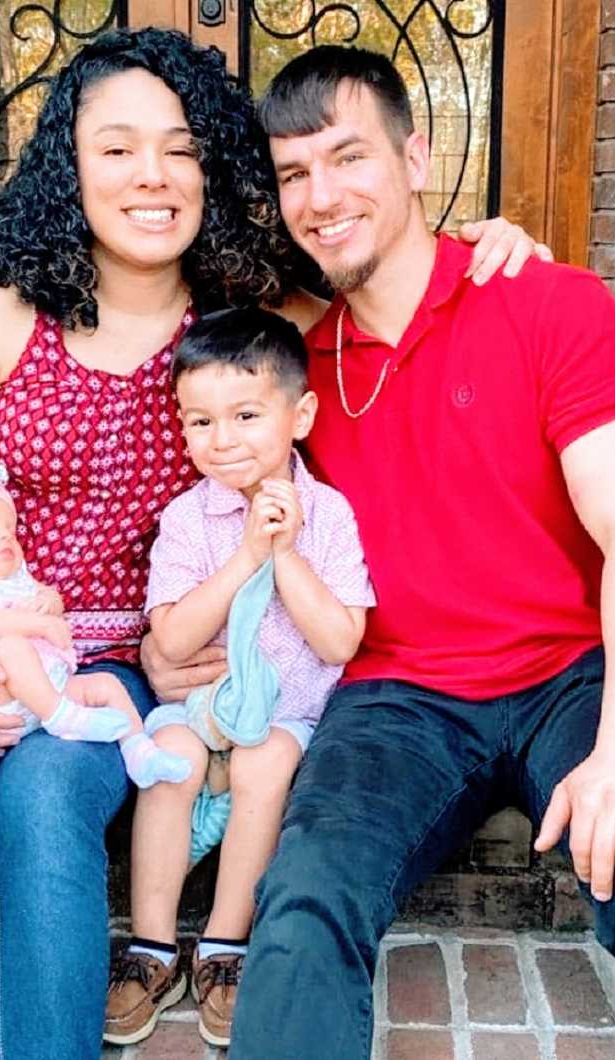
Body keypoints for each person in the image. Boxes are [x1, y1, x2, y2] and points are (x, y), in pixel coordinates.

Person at [0, 25, 545, 1060]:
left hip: (109, 673)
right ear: (72, 163)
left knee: (45, 813)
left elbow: (386, 276)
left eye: (183, 147)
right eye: (117, 148)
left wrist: (489, 242)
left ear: (214, 168)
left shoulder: (242, 325)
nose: (152, 176)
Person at [139, 46, 615, 1060]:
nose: (322, 195)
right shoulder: (292, 366)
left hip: (573, 676)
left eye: (349, 156)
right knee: (303, 895)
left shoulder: (549, 303)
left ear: (416, 157)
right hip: (396, 694)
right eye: (296, 172)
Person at [105, 307, 375, 1048]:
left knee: (268, 760)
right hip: (197, 709)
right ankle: (153, 947)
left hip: (282, 715)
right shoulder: (188, 520)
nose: (220, 441)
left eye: (246, 414)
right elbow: (173, 633)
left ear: (300, 414)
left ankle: (225, 946)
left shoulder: (328, 516)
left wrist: (285, 554)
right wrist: (244, 558)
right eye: (198, 422)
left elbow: (340, 638)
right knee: (170, 762)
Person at [0, 458, 191, 785]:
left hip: (48, 684)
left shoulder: (13, 575)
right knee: (11, 647)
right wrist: (39, 626)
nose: (4, 537)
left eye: (10, 530)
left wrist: (50, 601)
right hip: (0, 693)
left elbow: (46, 594)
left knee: (107, 686)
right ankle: (61, 716)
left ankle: (139, 751)